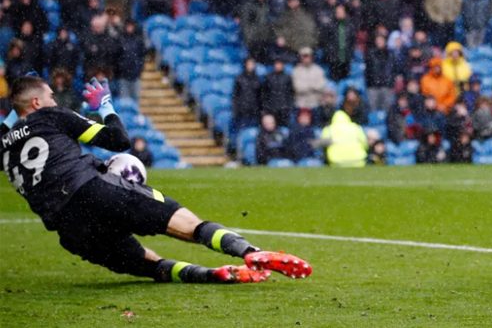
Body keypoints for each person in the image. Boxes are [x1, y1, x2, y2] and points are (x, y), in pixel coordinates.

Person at [1, 76, 311, 284]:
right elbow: (118, 138)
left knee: (147, 265)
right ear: (38, 104)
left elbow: (22, 142)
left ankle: (210, 275)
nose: (55, 101)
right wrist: (105, 106)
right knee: (187, 225)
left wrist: (12, 121)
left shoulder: (3, 146)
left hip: (69, 229)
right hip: (93, 192)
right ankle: (249, 251)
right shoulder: (51, 116)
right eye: (51, 97)